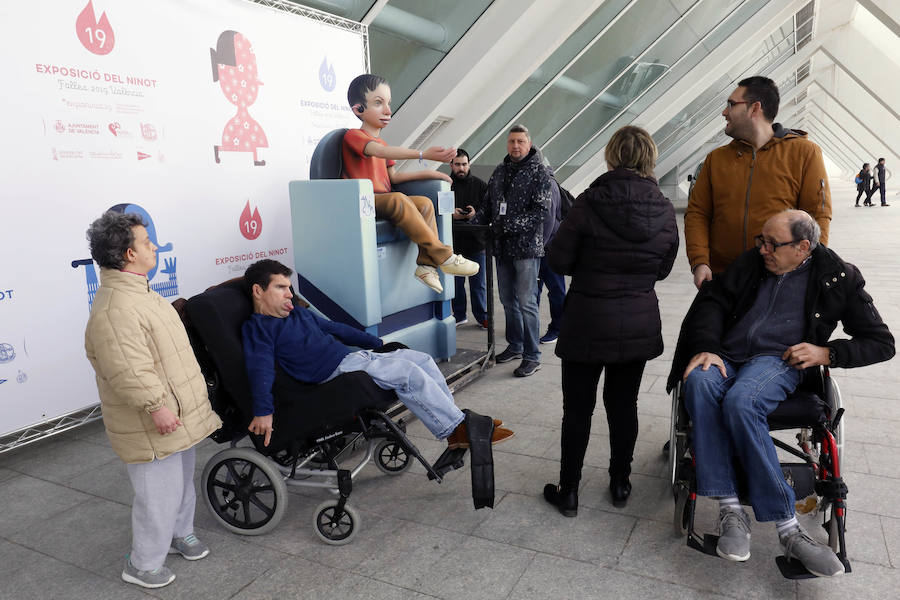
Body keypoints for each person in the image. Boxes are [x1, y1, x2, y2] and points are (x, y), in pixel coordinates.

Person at [668, 210, 894, 577]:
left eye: (773, 244)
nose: (763, 250)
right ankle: (731, 511)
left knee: (743, 401)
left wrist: (827, 353)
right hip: (726, 354)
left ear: (803, 247)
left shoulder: (839, 278)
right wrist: (707, 346)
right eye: (762, 240)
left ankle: (789, 530)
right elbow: (712, 302)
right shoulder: (753, 263)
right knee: (699, 380)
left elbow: (882, 344)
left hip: (777, 361)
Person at [542, 126, 679, 515]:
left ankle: (569, 490)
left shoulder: (589, 202)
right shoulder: (664, 209)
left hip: (587, 318)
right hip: (635, 320)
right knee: (624, 407)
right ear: (649, 158)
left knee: (578, 409)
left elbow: (559, 260)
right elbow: (664, 269)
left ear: (612, 156)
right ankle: (620, 481)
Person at [84, 211, 222, 589]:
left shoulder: (141, 293)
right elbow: (129, 369)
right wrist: (156, 407)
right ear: (129, 254)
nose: (154, 247)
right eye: (147, 243)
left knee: (179, 483)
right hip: (152, 420)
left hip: (176, 415)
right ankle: (143, 564)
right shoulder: (116, 308)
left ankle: (180, 534)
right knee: (156, 495)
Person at [240, 259, 513, 448]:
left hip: (352, 360)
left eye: (289, 287)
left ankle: (457, 425)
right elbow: (259, 367)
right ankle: (455, 429)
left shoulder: (296, 312)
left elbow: (335, 328)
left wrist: (375, 342)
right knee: (407, 374)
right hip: (333, 374)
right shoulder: (258, 328)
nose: (290, 294)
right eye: (280, 288)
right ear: (258, 291)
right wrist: (263, 411)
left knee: (422, 360)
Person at [685, 76, 832, 290]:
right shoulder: (715, 159)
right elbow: (697, 213)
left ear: (755, 108)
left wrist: (810, 266)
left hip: (780, 281)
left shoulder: (804, 153)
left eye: (731, 105)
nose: (724, 112)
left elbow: (817, 215)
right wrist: (700, 261)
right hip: (723, 279)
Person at [342, 74, 478, 294]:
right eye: (378, 103)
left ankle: (426, 265)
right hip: (363, 200)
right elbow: (380, 152)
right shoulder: (353, 137)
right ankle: (444, 255)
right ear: (358, 109)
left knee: (424, 203)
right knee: (398, 198)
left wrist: (431, 174)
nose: (388, 110)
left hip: (384, 198)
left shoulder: (382, 142)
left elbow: (393, 178)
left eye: (388, 103)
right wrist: (424, 154)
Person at [474, 124, 552, 377]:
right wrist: (474, 220)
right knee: (508, 301)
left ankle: (532, 355)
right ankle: (516, 345)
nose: (515, 146)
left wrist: (506, 225)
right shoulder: (500, 171)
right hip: (502, 248)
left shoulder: (539, 172)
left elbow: (540, 212)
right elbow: (488, 205)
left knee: (527, 302)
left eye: (520, 141)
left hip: (527, 249)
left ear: (529, 144)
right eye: (511, 141)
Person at [449, 149, 488, 328]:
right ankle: (459, 315)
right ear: (451, 165)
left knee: (478, 285)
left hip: (476, 243)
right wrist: (452, 215)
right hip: (454, 243)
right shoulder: (445, 185)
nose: (461, 168)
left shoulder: (481, 185)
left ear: (469, 164)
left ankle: (482, 317)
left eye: (464, 164)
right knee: (456, 284)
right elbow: (438, 213)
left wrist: (475, 214)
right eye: (457, 164)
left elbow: (489, 211)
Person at [535, 168, 567, 345]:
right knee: (536, 290)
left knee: (555, 290)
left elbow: (548, 219)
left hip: (549, 248)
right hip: (542, 247)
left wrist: (538, 247)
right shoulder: (537, 179)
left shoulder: (547, 182)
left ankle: (558, 328)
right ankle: (532, 328)